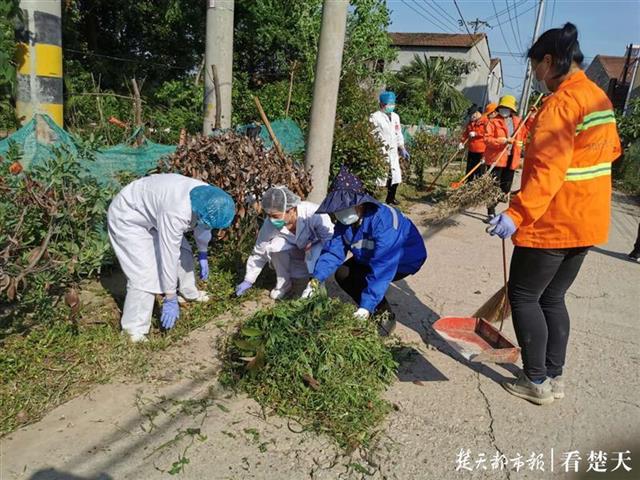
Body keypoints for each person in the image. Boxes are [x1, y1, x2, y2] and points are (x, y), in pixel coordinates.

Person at [487, 23, 621, 405]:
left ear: (548, 62)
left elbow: (548, 171)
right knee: (553, 298)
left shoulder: (559, 105)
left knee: (525, 296)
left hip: (553, 221)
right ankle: (553, 376)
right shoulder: (598, 99)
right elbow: (611, 152)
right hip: (587, 220)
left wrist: (517, 212)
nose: (535, 77)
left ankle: (534, 381)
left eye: (533, 69)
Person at [108, 173, 235, 343]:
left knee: (185, 252)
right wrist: (169, 298)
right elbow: (169, 254)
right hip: (129, 216)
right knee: (144, 273)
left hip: (153, 209)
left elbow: (204, 226)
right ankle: (133, 331)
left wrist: (203, 253)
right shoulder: (176, 212)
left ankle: (189, 292)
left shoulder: (209, 197)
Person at [303, 166, 427, 334]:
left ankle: (381, 314)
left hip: (404, 258)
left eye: (345, 208)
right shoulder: (345, 222)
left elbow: (383, 267)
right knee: (344, 273)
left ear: (360, 204)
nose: (341, 213)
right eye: (338, 209)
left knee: (370, 276)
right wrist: (315, 281)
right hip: (371, 255)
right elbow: (333, 252)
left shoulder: (384, 222)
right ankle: (371, 306)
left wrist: (366, 307)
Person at [235, 186, 334, 300]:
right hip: (296, 251)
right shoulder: (270, 223)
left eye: (275, 216)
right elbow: (259, 250)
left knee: (317, 251)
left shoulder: (314, 214)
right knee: (274, 246)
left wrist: (321, 269)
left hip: (315, 249)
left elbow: (329, 241)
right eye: (269, 216)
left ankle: (317, 285)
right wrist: (248, 280)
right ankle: (284, 284)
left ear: (291, 209)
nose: (272, 220)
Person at [483, 94, 528, 217]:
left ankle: (496, 201)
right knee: (493, 186)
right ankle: (491, 211)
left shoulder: (518, 122)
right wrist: (501, 141)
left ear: (512, 110)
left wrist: (532, 116)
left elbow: (527, 131)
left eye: (507, 108)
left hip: (512, 158)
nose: (504, 110)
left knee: (505, 188)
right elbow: (487, 139)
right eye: (503, 108)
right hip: (496, 159)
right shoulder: (493, 122)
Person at [370, 91, 409, 205]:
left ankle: (390, 198)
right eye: (389, 104)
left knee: (396, 176)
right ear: (382, 104)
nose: (392, 106)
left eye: (393, 103)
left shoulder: (396, 117)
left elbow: (398, 133)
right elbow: (372, 134)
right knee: (378, 177)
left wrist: (402, 147)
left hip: (393, 151)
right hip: (381, 151)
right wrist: (376, 148)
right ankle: (371, 199)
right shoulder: (374, 117)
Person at [459, 106, 489, 182]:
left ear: (476, 113)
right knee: (469, 168)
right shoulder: (470, 123)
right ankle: (468, 184)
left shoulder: (486, 122)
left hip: (481, 151)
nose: (471, 118)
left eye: (472, 115)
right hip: (471, 150)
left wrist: (476, 133)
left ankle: (477, 185)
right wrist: (462, 142)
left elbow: (487, 133)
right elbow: (465, 134)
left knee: (479, 171)